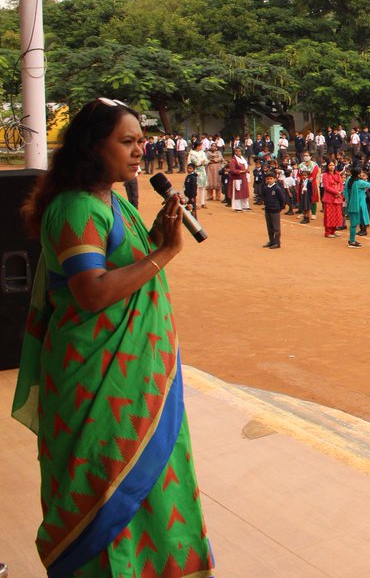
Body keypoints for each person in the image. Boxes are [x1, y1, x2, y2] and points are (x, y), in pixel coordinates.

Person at [13, 98, 214, 576]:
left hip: (140, 382)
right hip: (97, 386)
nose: (140, 151)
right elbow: (92, 292)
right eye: (127, 142)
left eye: (141, 141)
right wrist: (164, 252)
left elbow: (120, 266)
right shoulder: (74, 208)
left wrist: (155, 234)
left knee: (152, 491)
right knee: (104, 490)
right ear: (90, 146)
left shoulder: (112, 200)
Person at [344, 167, 370, 248]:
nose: (362, 174)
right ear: (358, 174)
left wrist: (348, 200)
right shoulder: (359, 182)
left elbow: (345, 191)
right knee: (354, 224)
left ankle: (352, 240)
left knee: (353, 223)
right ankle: (352, 241)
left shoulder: (349, 180)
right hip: (357, 205)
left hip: (351, 204)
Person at [321, 162, 344, 238]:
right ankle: (328, 232)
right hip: (329, 197)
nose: (332, 167)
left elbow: (341, 184)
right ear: (327, 166)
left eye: (333, 165)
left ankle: (333, 231)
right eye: (330, 165)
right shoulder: (325, 175)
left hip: (337, 197)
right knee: (329, 215)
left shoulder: (337, 174)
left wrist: (340, 191)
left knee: (336, 215)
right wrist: (336, 192)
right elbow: (326, 186)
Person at [227, 145, 251, 211]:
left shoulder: (244, 160)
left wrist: (247, 171)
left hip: (244, 178)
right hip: (237, 178)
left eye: (239, 151)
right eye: (236, 151)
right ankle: (237, 206)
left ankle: (245, 205)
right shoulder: (233, 160)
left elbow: (246, 167)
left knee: (245, 192)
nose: (238, 152)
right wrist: (241, 171)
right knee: (237, 192)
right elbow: (232, 170)